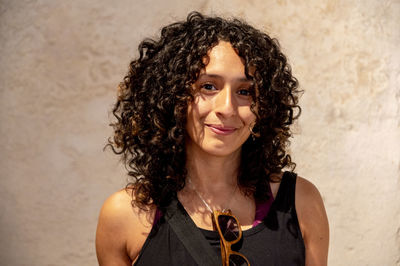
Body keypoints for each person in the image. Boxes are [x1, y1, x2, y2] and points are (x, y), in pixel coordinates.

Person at [96, 11, 329, 266]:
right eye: (208, 86)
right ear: (171, 96)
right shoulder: (125, 215)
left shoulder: (300, 203)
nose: (227, 108)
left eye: (245, 91)